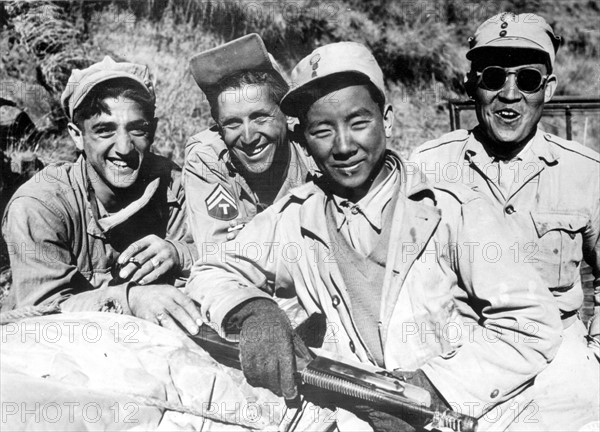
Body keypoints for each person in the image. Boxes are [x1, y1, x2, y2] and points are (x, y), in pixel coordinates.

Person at [186, 41, 562, 431]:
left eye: (358, 122)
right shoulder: (296, 215)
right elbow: (211, 269)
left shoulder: (454, 209)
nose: (344, 145)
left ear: (388, 119)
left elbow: (531, 321)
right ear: (305, 141)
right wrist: (254, 311)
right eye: (322, 130)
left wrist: (432, 388)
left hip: (464, 414)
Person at [411, 12, 599, 430]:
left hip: (554, 364)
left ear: (548, 90)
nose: (509, 95)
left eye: (527, 80)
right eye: (493, 77)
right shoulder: (428, 165)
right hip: (454, 356)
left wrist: (594, 352)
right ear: (470, 84)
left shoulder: (586, 172)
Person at [2, 56, 202, 336]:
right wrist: (129, 300)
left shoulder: (174, 186)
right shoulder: (41, 205)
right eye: (104, 130)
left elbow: (226, 257)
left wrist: (181, 253)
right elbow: (43, 318)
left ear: (153, 130)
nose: (123, 147)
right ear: (77, 136)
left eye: (137, 129)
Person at [184, 33, 317, 247]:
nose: (248, 137)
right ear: (218, 125)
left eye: (260, 117)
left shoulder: (313, 149)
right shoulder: (209, 159)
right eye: (232, 123)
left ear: (286, 113)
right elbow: (221, 255)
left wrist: (257, 234)